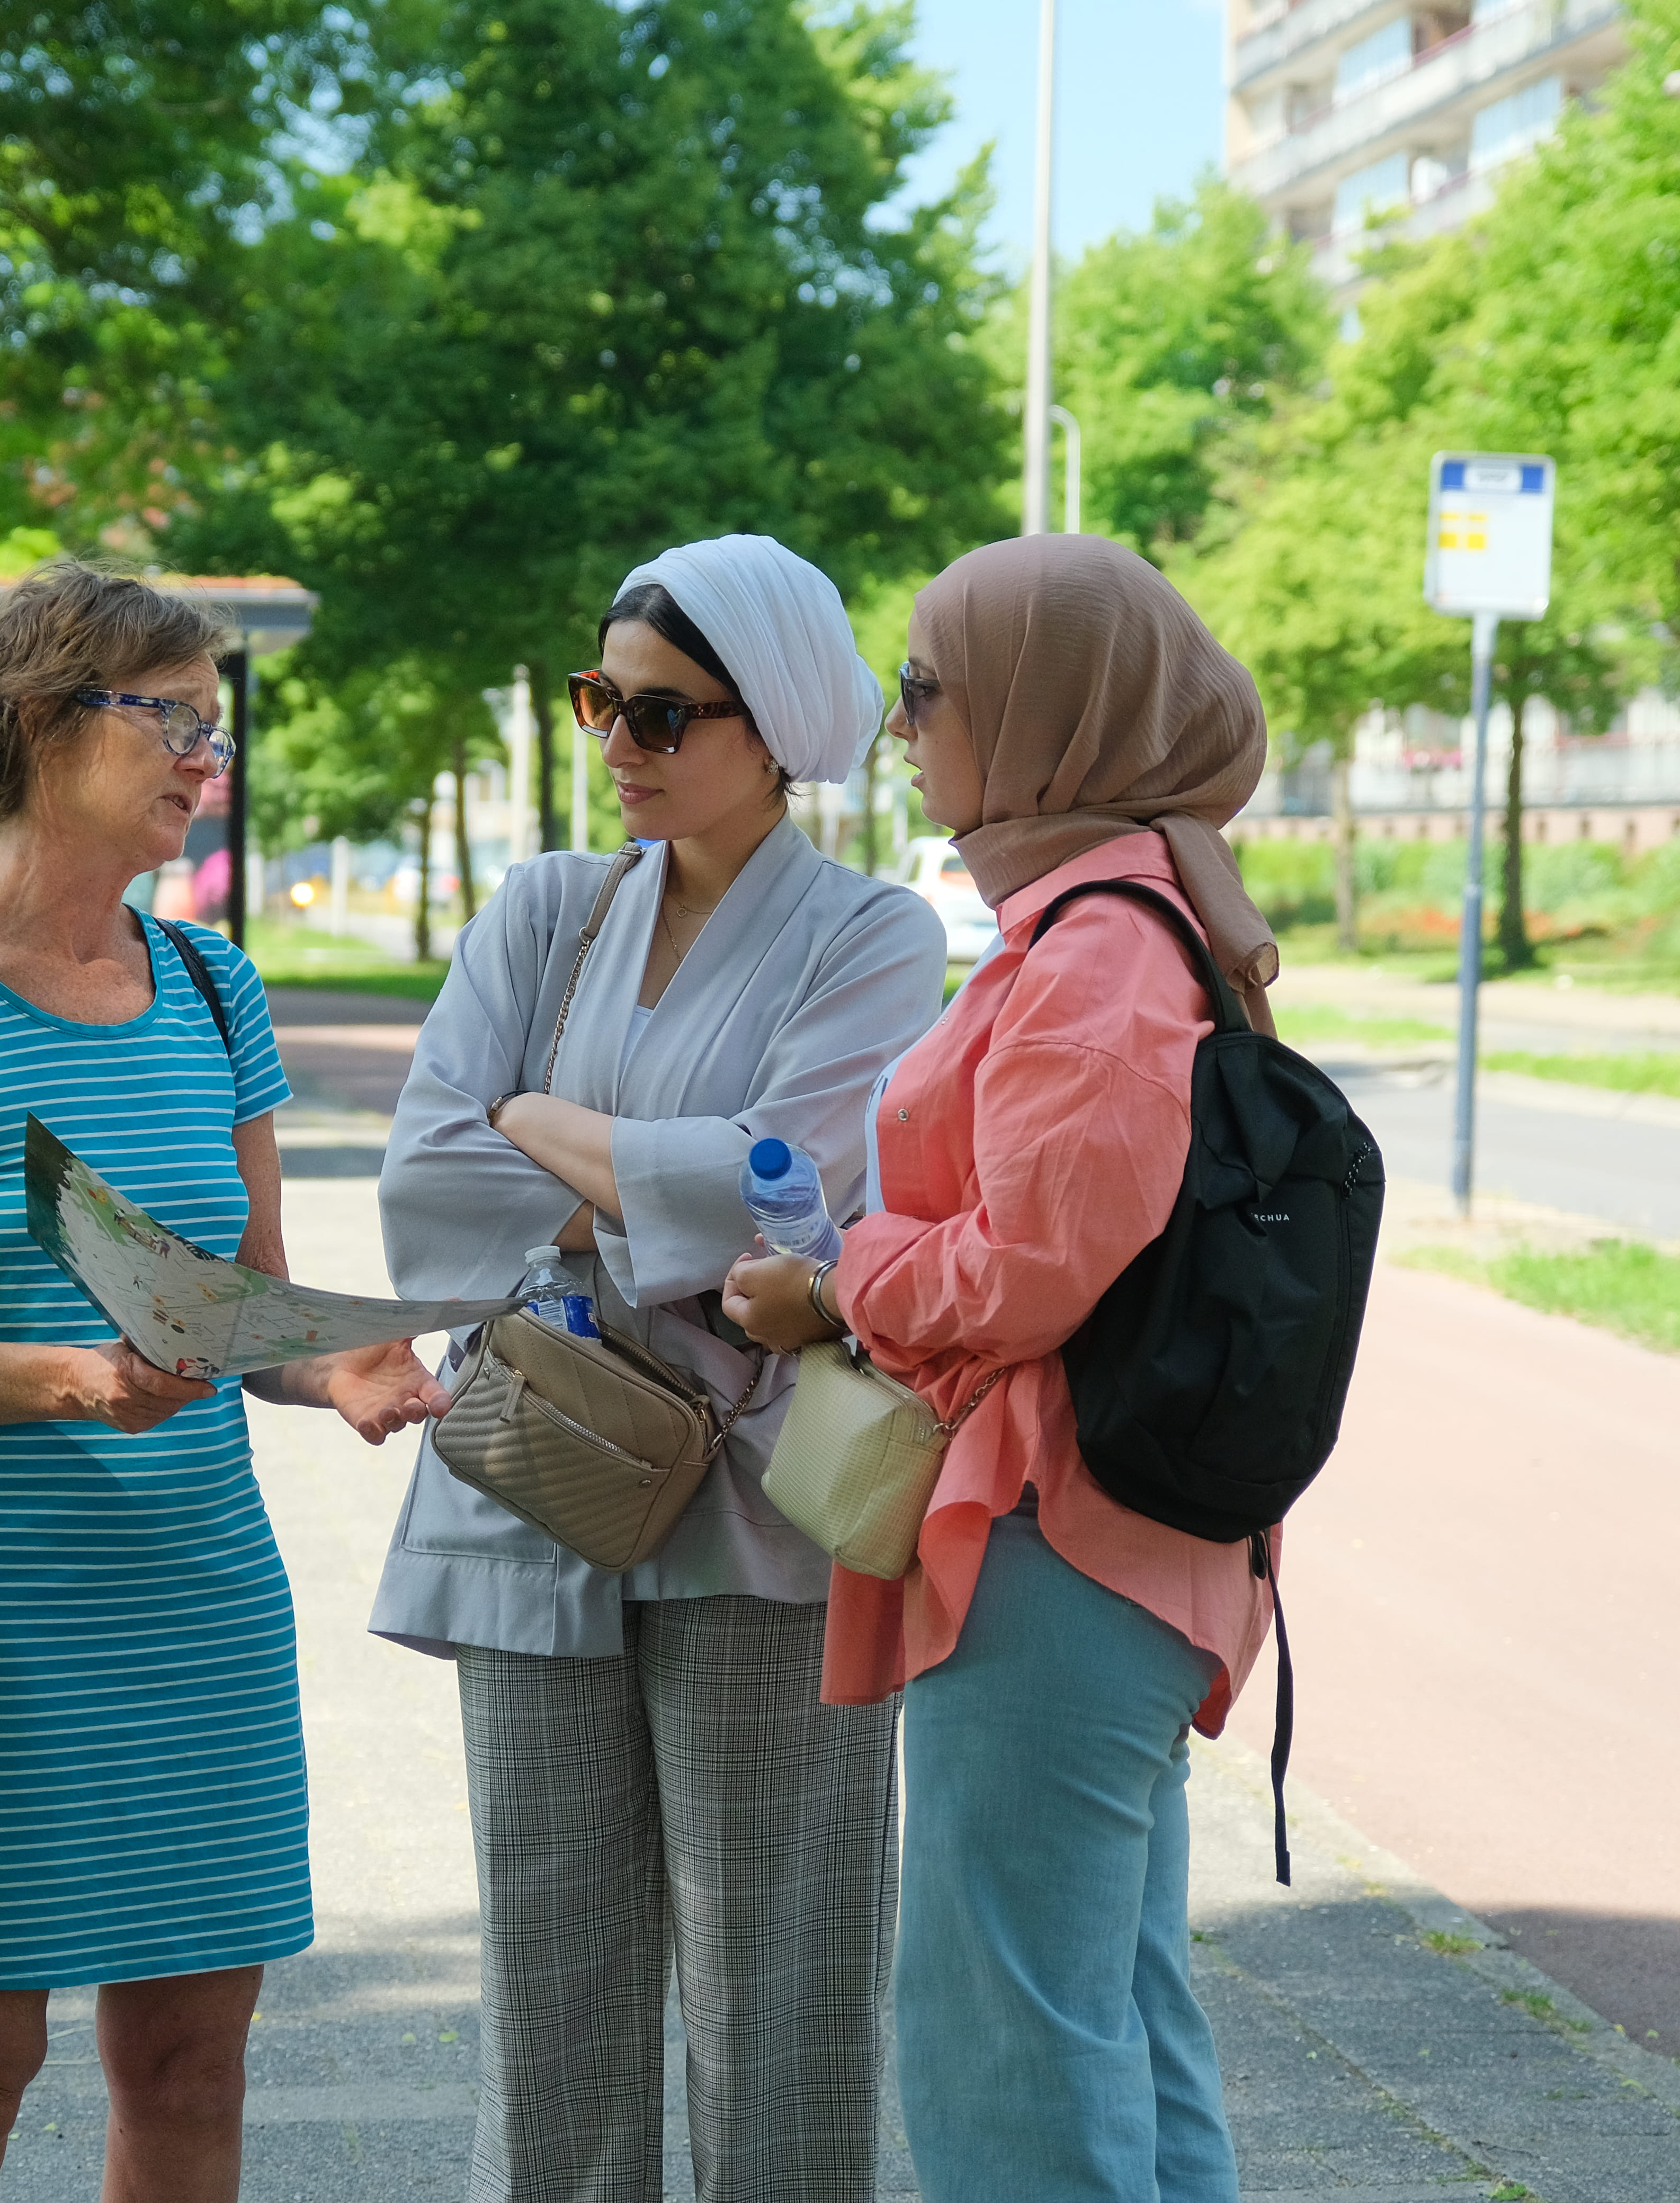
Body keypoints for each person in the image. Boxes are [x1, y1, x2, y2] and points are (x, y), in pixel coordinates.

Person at [0, 558, 448, 2203]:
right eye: (172, 720)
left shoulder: (217, 987)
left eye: (213, 726)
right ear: (40, 722)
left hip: (198, 1609)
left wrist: (338, 1362)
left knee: (190, 2068)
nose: (205, 756)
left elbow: (245, 1304)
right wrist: (68, 1378)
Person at [373, 534, 948, 2201]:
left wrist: (539, 1128)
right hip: (530, 1484)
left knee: (784, 1989)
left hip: (763, 1510)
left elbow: (793, 1187)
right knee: (547, 1998)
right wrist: (651, 1187)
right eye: (600, 701)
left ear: (777, 725)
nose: (619, 743)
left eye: (664, 712)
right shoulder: (545, 909)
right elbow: (426, 1179)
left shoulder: (872, 937)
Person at [725, 532, 1286, 2202]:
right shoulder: (1130, 913)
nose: (902, 726)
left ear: (1052, 712)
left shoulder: (1100, 949)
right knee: (1111, 2006)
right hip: (1105, 1536)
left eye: (926, 687)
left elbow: (1036, 1264)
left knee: (1006, 2031)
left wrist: (836, 1284)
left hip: (1056, 1538)